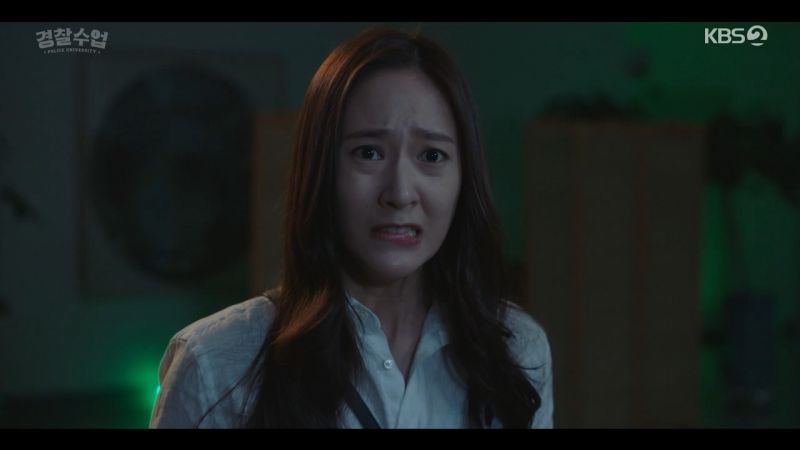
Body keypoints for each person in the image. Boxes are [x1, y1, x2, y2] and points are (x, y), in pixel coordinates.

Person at [149, 26, 553, 429]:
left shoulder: (515, 348)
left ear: (464, 177)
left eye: (432, 155)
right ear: (320, 168)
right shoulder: (217, 364)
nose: (400, 193)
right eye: (369, 152)